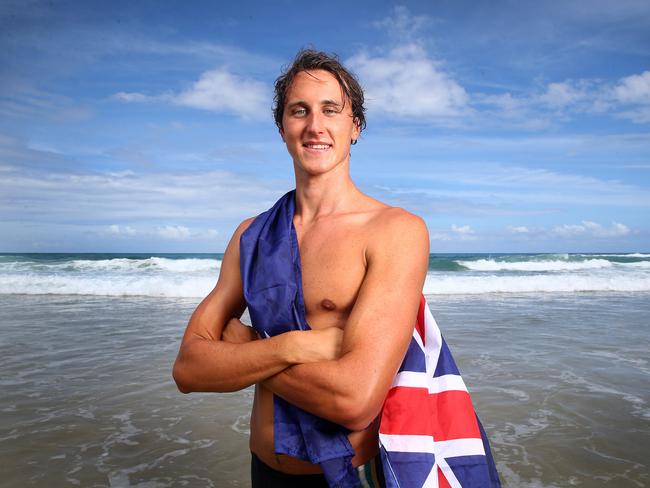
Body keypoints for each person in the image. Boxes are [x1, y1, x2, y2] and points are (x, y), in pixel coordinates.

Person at [173, 49, 498, 488]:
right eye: (299, 111)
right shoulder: (251, 235)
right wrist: (290, 347)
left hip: (349, 474)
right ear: (283, 128)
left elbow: (355, 400)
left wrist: (244, 347)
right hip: (265, 471)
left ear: (355, 127)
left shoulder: (394, 230)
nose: (315, 126)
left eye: (331, 110)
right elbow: (189, 369)